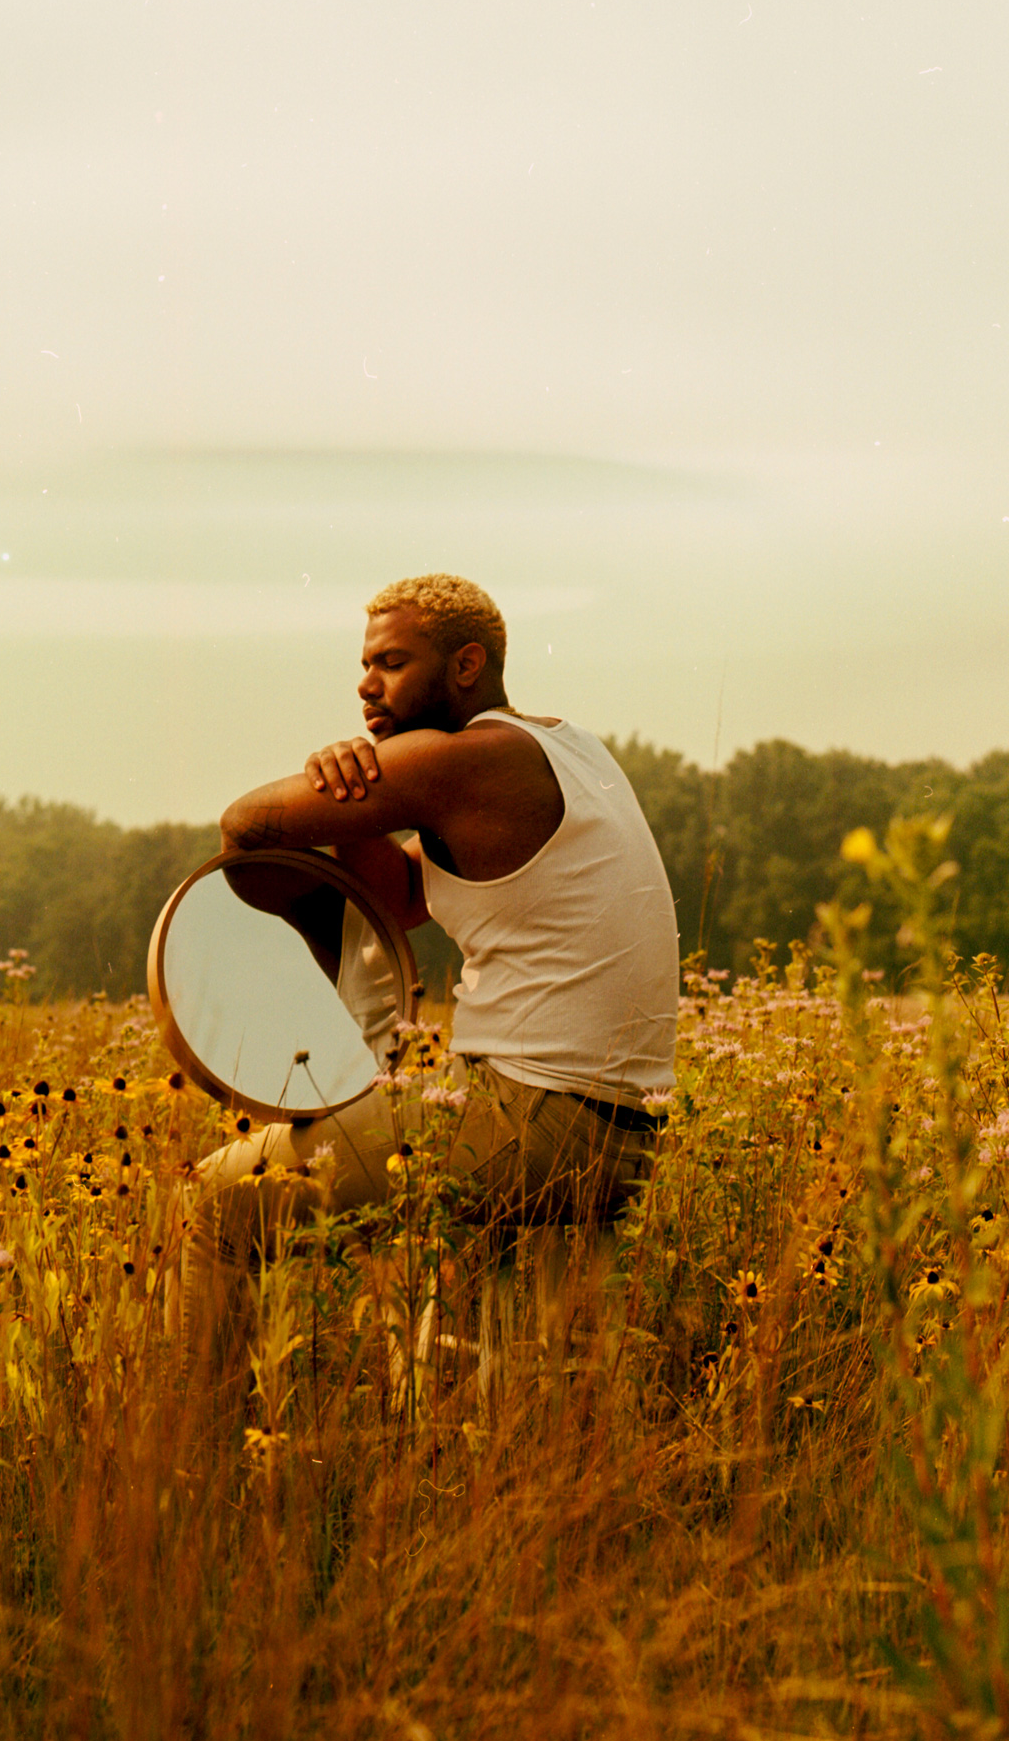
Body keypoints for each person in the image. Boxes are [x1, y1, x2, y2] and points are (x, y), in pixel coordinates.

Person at [183, 572, 679, 1368]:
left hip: (534, 1122)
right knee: (458, 1322)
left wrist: (349, 776)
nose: (364, 681)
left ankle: (187, 1461)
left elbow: (245, 822)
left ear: (466, 664)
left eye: (391, 662)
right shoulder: (564, 746)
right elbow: (403, 897)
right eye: (365, 662)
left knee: (215, 1206)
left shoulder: (464, 759)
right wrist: (361, 806)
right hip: (621, 1129)